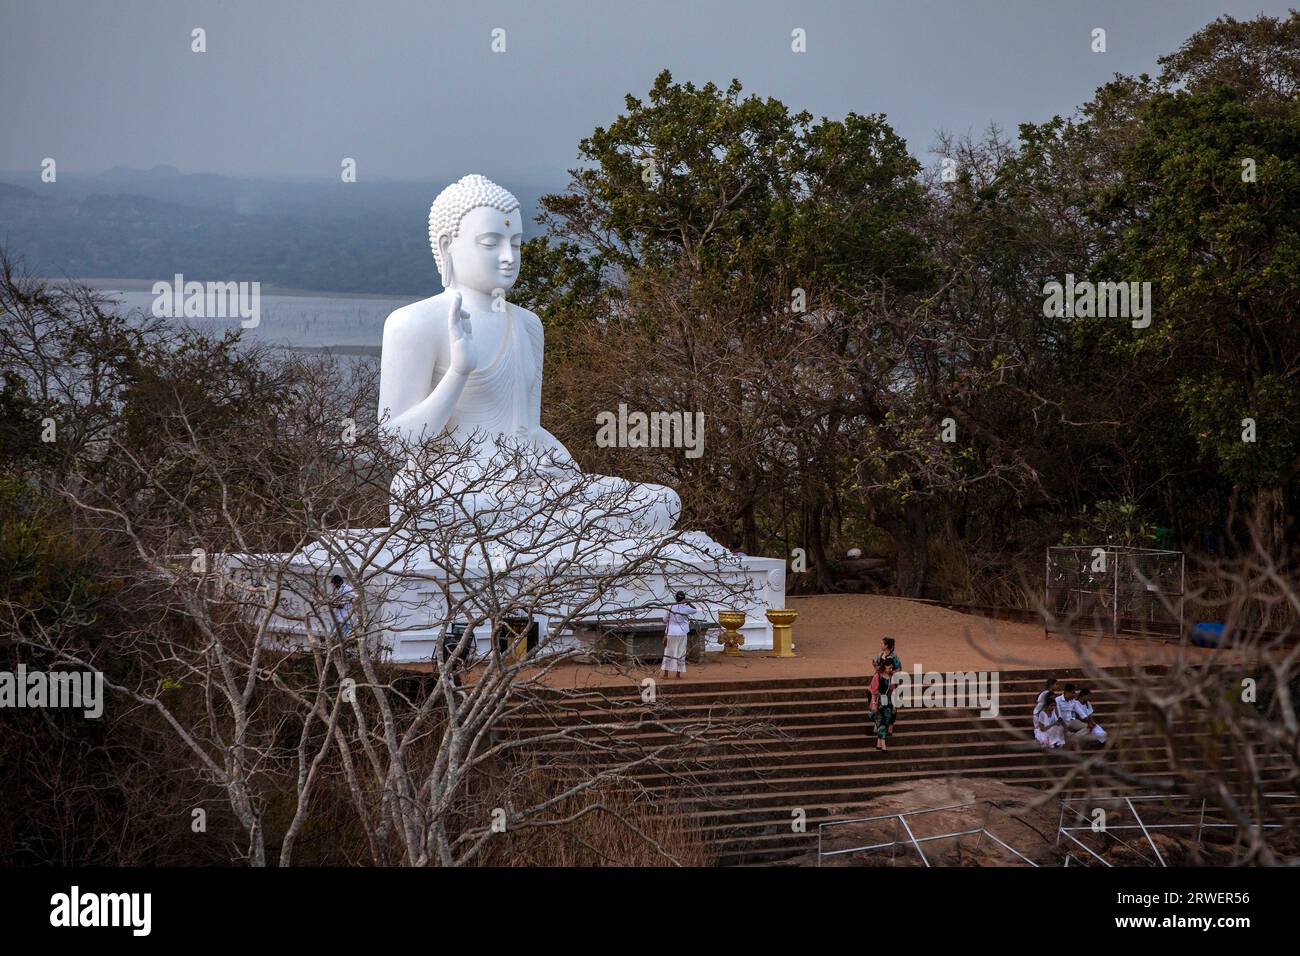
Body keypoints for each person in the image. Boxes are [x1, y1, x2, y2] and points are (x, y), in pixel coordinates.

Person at [661, 592, 697, 680]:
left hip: (671, 632)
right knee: (681, 653)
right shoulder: (686, 608)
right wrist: (688, 603)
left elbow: (664, 620)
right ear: (684, 599)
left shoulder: (670, 607)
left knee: (668, 652)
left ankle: (666, 674)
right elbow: (695, 610)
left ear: (675, 599)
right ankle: (678, 674)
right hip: (682, 633)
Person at [869, 660, 898, 751]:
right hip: (879, 703)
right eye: (889, 667)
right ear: (884, 666)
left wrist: (894, 705)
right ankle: (884, 745)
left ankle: (879, 743)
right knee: (881, 723)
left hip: (888, 703)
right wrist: (873, 703)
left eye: (892, 667)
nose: (891, 669)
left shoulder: (892, 677)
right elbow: (873, 692)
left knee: (885, 723)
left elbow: (893, 692)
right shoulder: (877, 676)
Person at [330, 574, 355, 649]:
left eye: (334, 584)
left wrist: (331, 604)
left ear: (339, 583)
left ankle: (343, 656)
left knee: (340, 640)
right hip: (340, 618)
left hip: (345, 619)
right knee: (332, 637)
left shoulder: (345, 590)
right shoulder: (343, 589)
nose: (334, 586)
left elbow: (341, 605)